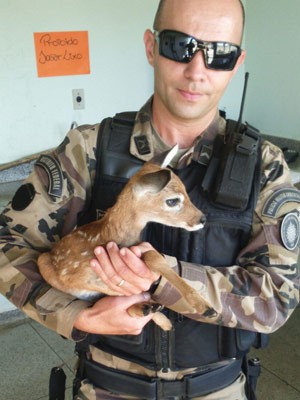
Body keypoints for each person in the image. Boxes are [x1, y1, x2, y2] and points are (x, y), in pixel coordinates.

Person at [0, 0, 299, 399]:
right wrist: (78, 315)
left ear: (237, 62)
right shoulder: (89, 150)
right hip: (108, 386)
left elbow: (277, 296)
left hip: (218, 388)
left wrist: (163, 278)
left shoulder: (264, 166)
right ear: (150, 47)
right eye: (179, 45)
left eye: (220, 54)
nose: (197, 71)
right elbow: (8, 246)